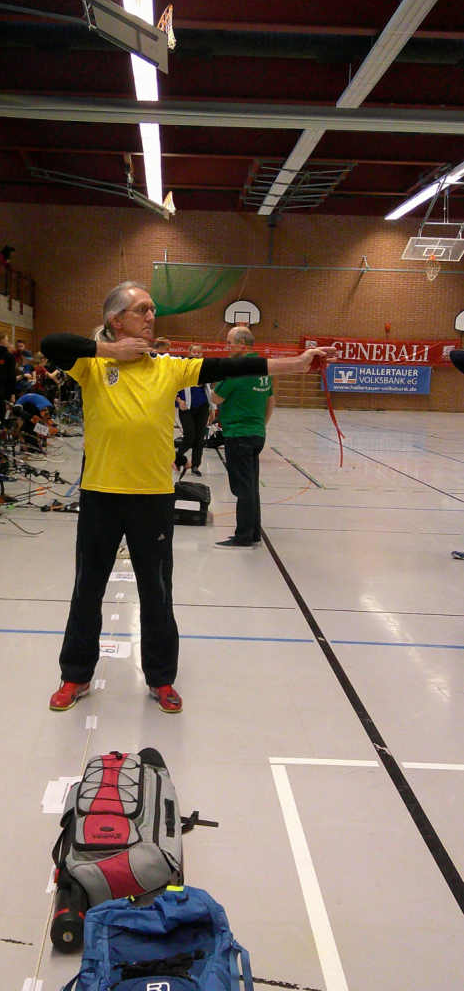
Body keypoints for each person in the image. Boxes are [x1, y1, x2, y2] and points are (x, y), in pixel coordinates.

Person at [40, 280, 337, 715]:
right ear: (115, 320)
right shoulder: (91, 365)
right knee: (88, 588)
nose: (151, 316)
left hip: (153, 498)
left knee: (157, 591)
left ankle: (161, 678)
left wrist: (296, 363)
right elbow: (51, 343)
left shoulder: (169, 368)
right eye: (142, 309)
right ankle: (75, 675)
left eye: (152, 310)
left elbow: (230, 367)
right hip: (101, 495)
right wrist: (111, 351)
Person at [211, 326, 275, 550]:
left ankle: (244, 536)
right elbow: (271, 401)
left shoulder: (238, 369)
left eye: (229, 342)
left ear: (241, 344)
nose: (227, 346)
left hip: (238, 435)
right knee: (251, 487)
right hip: (256, 434)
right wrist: (260, 426)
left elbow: (216, 398)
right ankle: (254, 532)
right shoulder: (263, 368)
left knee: (243, 489)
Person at [174, 343, 215, 476]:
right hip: (186, 407)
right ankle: (177, 458)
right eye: (194, 352)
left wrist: (212, 409)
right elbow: (173, 386)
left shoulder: (205, 368)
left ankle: (195, 465)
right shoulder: (182, 367)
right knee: (189, 436)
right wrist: (179, 401)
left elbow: (208, 389)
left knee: (199, 438)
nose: (196, 354)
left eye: (199, 352)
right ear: (189, 352)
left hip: (202, 406)